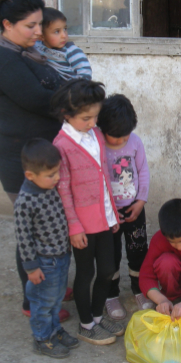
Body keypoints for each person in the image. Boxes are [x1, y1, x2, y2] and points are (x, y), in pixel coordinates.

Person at [0, 0, 72, 321]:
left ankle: (52, 282)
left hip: (40, 151)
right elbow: (42, 100)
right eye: (30, 26)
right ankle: (32, 301)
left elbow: (57, 85)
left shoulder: (26, 52)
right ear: (7, 24)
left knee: (52, 224)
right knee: (33, 231)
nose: (38, 32)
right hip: (19, 158)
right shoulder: (4, 61)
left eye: (40, 24)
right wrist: (77, 101)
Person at [52, 79, 125, 345]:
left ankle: (96, 315)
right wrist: (74, 227)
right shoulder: (61, 145)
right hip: (82, 224)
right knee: (86, 273)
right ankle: (86, 324)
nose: (93, 123)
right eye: (86, 118)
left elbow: (104, 176)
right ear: (67, 115)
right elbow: (64, 191)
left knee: (108, 269)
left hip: (104, 217)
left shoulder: (95, 135)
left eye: (95, 116)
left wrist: (113, 213)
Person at [14, 139, 79, 358]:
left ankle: (55, 331)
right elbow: (23, 238)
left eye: (57, 172)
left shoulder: (49, 188)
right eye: (51, 174)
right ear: (30, 175)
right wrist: (31, 268)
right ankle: (42, 339)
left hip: (60, 257)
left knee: (56, 298)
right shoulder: (26, 201)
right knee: (42, 302)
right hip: (44, 262)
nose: (57, 178)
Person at [97, 94, 154, 320]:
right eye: (115, 137)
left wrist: (141, 201)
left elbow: (143, 171)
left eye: (125, 136)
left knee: (138, 251)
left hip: (134, 210)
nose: (120, 141)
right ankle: (111, 296)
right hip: (108, 214)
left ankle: (139, 290)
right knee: (109, 256)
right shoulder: (98, 144)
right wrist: (105, 211)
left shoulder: (136, 142)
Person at [35, 7, 92, 81]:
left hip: (70, 88)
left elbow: (85, 73)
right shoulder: (37, 46)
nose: (64, 35)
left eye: (65, 29)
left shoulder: (72, 51)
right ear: (42, 36)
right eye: (57, 31)